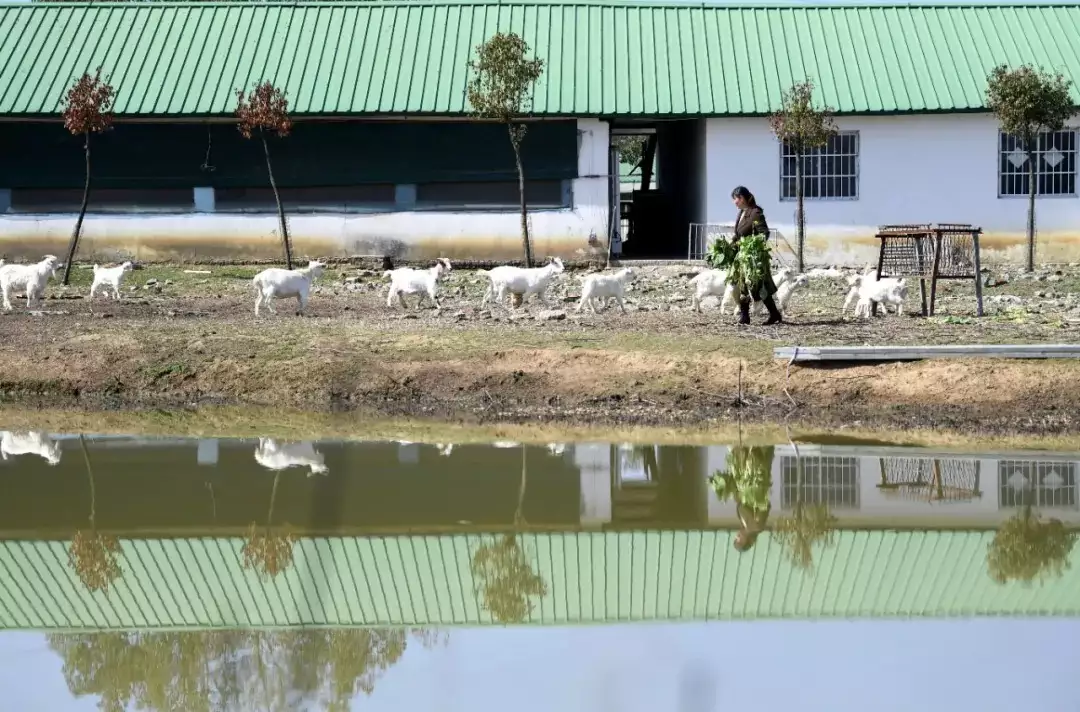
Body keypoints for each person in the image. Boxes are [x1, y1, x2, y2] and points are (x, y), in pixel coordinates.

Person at [730, 186, 783, 325]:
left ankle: (774, 314)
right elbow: (738, 234)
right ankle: (745, 316)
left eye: (735, 199)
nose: (734, 202)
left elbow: (764, 233)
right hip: (743, 257)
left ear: (741, 198)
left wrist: (753, 246)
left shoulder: (755, 213)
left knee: (759, 286)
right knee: (743, 284)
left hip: (754, 258)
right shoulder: (741, 213)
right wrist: (731, 245)